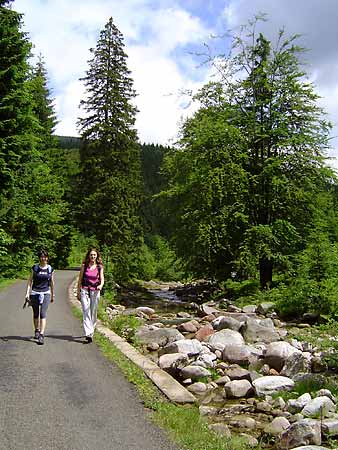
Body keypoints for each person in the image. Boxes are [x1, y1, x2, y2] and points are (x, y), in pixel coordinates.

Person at [25, 249, 55, 345]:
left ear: (47, 258)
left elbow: (51, 282)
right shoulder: (35, 268)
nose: (44, 258)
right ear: (39, 258)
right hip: (35, 293)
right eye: (42, 257)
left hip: (46, 292)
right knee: (36, 313)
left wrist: (52, 294)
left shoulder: (50, 269)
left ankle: (41, 335)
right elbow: (30, 281)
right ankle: (37, 330)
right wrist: (27, 293)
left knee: (43, 313)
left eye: (45, 257)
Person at [77, 247, 104, 343]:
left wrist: (100, 285)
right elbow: (80, 279)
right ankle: (88, 333)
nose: (93, 256)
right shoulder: (84, 266)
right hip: (85, 290)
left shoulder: (99, 266)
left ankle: (91, 331)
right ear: (89, 256)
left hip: (95, 291)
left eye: (94, 255)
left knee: (93, 311)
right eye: (91, 255)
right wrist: (78, 292)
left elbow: (102, 279)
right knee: (85, 310)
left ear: (97, 256)